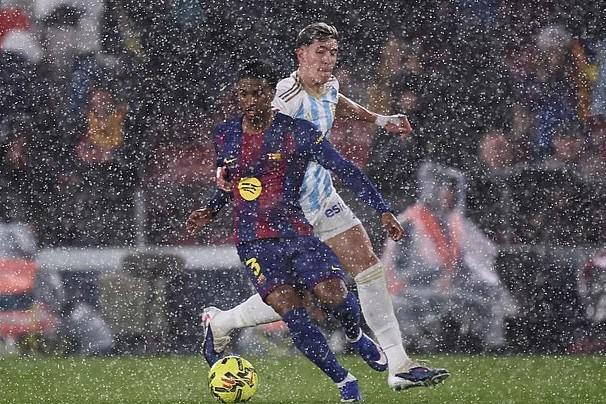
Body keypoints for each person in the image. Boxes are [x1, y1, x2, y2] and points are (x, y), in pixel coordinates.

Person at [204, 22, 449, 391]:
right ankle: (224, 323)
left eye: (333, 52)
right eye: (320, 51)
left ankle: (399, 364)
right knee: (294, 297)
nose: (328, 59)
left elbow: (336, 102)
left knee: (368, 267)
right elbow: (245, 137)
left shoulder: (328, 85)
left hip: (323, 198)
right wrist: (224, 172)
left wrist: (380, 120)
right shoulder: (281, 98)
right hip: (287, 213)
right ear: (300, 54)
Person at [187, 59, 403, 402]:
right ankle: (343, 381)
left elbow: (345, 168)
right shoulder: (225, 134)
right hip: (253, 239)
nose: (250, 101)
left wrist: (382, 210)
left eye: (257, 93)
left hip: (296, 230)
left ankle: (355, 335)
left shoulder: (297, 131)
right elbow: (231, 181)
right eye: (243, 94)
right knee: (291, 310)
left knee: (334, 293)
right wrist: (210, 210)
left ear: (271, 94)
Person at [382, 162, 516, 353]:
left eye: (453, 190)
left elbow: (479, 257)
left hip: (446, 289)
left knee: (485, 296)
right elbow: (396, 272)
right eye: (445, 188)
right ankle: (422, 344)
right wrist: (436, 276)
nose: (450, 195)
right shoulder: (408, 224)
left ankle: (493, 346)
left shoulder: (454, 223)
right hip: (408, 291)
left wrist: (461, 277)